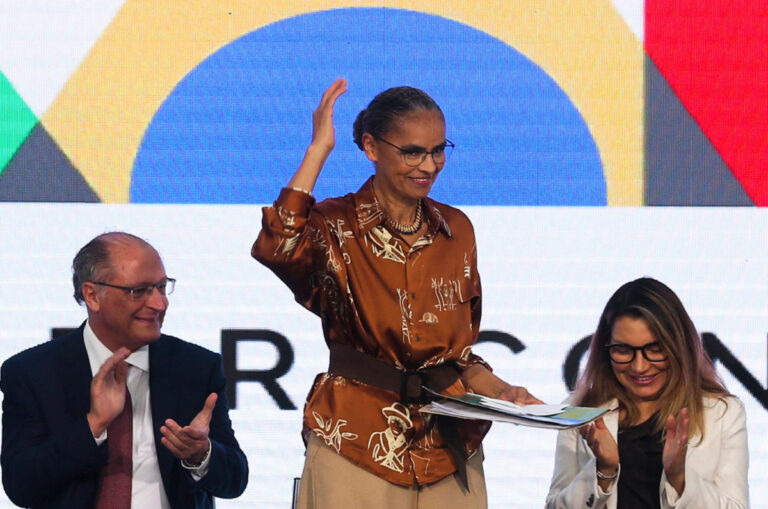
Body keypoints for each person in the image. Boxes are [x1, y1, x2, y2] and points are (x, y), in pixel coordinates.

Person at [252, 78, 539, 508]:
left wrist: (503, 393)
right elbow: (278, 246)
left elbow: (458, 355)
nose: (429, 165)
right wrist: (318, 151)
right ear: (371, 147)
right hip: (356, 442)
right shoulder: (335, 225)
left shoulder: (456, 230)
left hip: (447, 446)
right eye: (412, 152)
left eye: (439, 150)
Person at [1, 232, 248, 509]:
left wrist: (201, 454)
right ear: (92, 296)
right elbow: (21, 486)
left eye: (162, 287)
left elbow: (236, 481)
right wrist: (93, 425)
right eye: (139, 291)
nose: (160, 303)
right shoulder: (32, 373)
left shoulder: (196, 367)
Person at [546, 277, 749, 509]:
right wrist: (603, 472)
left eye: (655, 349)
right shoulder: (580, 410)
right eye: (623, 350)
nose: (639, 366)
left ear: (678, 346)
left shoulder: (722, 413)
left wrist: (680, 479)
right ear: (605, 349)